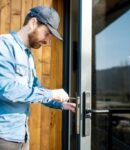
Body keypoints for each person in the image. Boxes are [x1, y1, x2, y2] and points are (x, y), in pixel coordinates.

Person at [0, 6, 76, 150]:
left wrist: (60, 104)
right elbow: (7, 90)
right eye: (47, 34)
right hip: (3, 139)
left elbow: (36, 91)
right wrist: (51, 93)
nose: (48, 41)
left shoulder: (28, 56)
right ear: (33, 23)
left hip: (22, 136)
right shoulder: (3, 46)